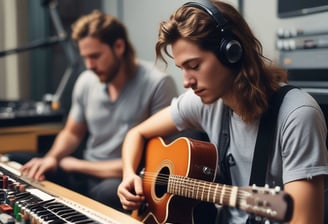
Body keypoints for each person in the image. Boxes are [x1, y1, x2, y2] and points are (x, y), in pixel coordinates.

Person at [117, 0, 328, 223]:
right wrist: (129, 174)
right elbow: (136, 134)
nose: (187, 82)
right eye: (182, 69)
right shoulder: (203, 101)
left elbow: (305, 219)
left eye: (195, 66)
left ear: (232, 52)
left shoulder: (297, 114)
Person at [19, 10, 178, 212]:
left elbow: (156, 162)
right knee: (19, 162)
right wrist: (52, 158)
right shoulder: (86, 81)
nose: (89, 65)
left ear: (119, 47)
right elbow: (72, 133)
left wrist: (77, 165)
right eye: (85, 57)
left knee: (105, 194)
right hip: (81, 172)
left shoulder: (158, 84)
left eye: (95, 56)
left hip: (120, 178)